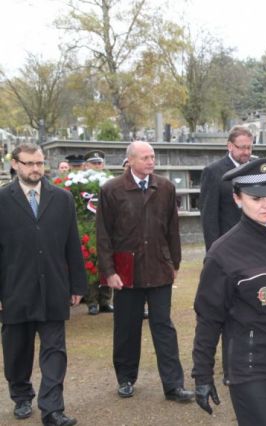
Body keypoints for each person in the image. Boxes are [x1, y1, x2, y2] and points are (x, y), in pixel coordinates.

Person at [192, 158, 266, 426]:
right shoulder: (223, 253)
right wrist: (202, 374)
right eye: (256, 198)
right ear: (237, 199)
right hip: (252, 368)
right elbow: (209, 318)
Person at [96, 141, 194, 403]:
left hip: (159, 268)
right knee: (126, 327)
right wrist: (109, 272)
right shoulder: (111, 190)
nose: (151, 161)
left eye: (153, 157)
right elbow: (103, 235)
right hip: (126, 271)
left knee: (164, 326)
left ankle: (174, 385)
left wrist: (175, 263)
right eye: (145, 157)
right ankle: (126, 378)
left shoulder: (165, 187)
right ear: (130, 161)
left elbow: (173, 229)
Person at [0, 143, 87, 426]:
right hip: (14, 289)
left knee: (54, 350)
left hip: (53, 288)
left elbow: (72, 244)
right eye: (29, 164)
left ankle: (52, 409)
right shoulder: (2, 200)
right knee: (17, 350)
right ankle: (21, 395)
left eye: (39, 163)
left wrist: (77, 284)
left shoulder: (61, 199)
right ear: (15, 164)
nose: (36, 169)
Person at [200, 126, 255, 250]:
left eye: (249, 147)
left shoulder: (256, 169)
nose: (246, 152)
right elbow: (209, 217)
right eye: (241, 148)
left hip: (255, 241)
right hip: (229, 243)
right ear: (230, 146)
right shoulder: (213, 172)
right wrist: (214, 251)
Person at [82, 150, 113, 315]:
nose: (97, 166)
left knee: (107, 263)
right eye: (93, 163)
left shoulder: (110, 182)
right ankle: (92, 301)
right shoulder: (79, 183)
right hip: (87, 227)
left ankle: (105, 300)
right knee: (91, 264)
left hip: (107, 228)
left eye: (99, 163)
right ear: (86, 165)